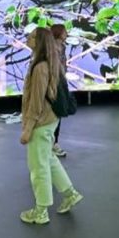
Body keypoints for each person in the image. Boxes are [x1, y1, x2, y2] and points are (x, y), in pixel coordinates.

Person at [19, 27, 83, 225]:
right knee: (48, 159)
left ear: (38, 42)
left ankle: (41, 211)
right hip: (51, 119)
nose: (27, 39)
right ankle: (70, 193)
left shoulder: (40, 68)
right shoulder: (52, 63)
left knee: (38, 167)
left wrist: (28, 128)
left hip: (40, 122)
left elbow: (36, 102)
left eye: (31, 37)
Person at [51, 24, 69, 158]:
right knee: (52, 114)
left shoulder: (63, 47)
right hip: (52, 84)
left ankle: (55, 142)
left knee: (59, 114)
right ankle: (51, 144)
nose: (67, 33)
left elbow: (64, 66)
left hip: (60, 83)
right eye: (65, 31)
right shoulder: (50, 49)